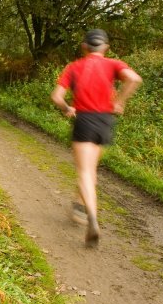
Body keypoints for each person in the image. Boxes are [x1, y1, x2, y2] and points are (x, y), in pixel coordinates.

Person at [50, 29, 142, 246]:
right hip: (105, 122)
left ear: (84, 47)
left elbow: (56, 96)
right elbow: (134, 79)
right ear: (105, 48)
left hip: (84, 120)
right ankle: (79, 207)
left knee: (84, 172)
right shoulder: (113, 64)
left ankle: (92, 217)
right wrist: (120, 101)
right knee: (92, 170)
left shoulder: (74, 67)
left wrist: (66, 108)